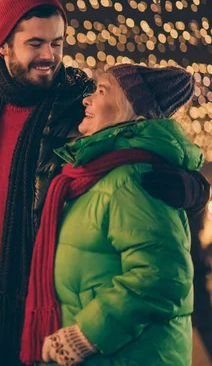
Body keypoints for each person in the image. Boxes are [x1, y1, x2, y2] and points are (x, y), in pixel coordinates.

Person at [0, 0, 210, 365]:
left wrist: (191, 188)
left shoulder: (81, 107)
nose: (49, 55)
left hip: (41, 310)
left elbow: (144, 142)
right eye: (35, 44)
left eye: (57, 43)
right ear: (4, 45)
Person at [20, 65, 200, 365]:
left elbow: (160, 277)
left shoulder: (131, 179)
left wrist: (87, 335)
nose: (87, 100)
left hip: (127, 354)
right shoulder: (96, 174)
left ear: (132, 112)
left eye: (101, 91)